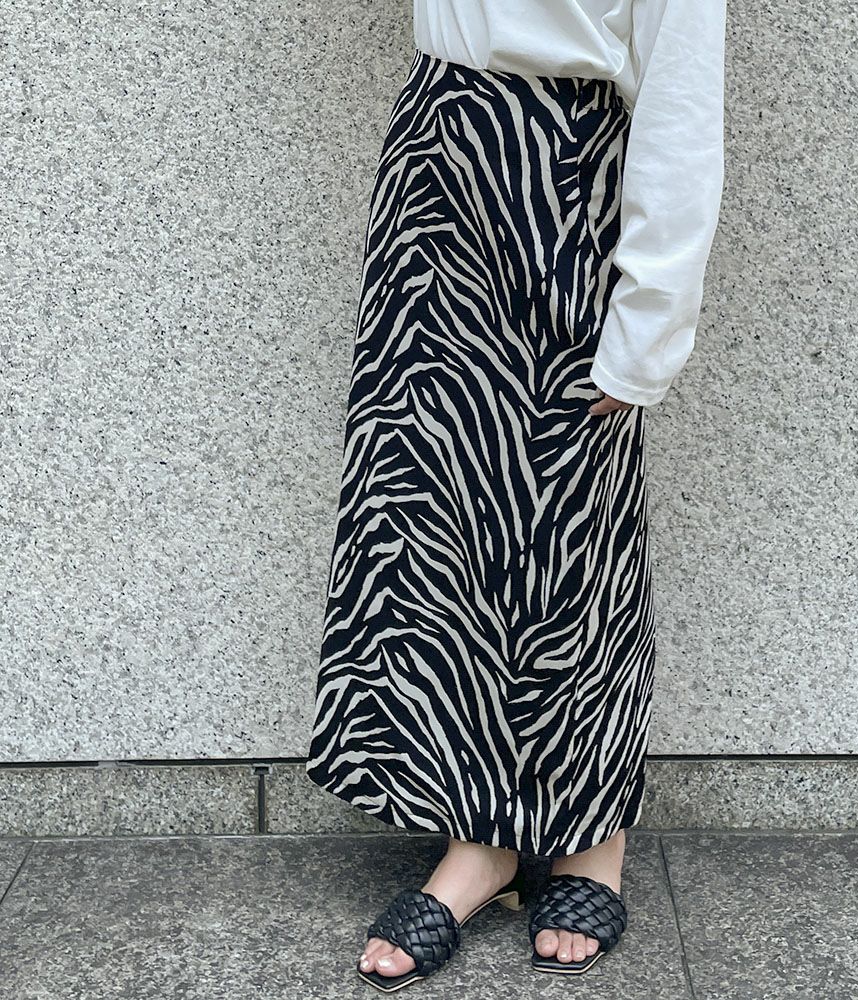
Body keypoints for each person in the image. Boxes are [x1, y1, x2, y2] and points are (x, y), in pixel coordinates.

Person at [306, 0, 727, 989]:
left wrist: (649, 321)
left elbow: (681, 88)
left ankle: (591, 833)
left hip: (564, 177)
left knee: (572, 514)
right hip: (438, 161)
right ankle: (482, 835)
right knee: (435, 501)